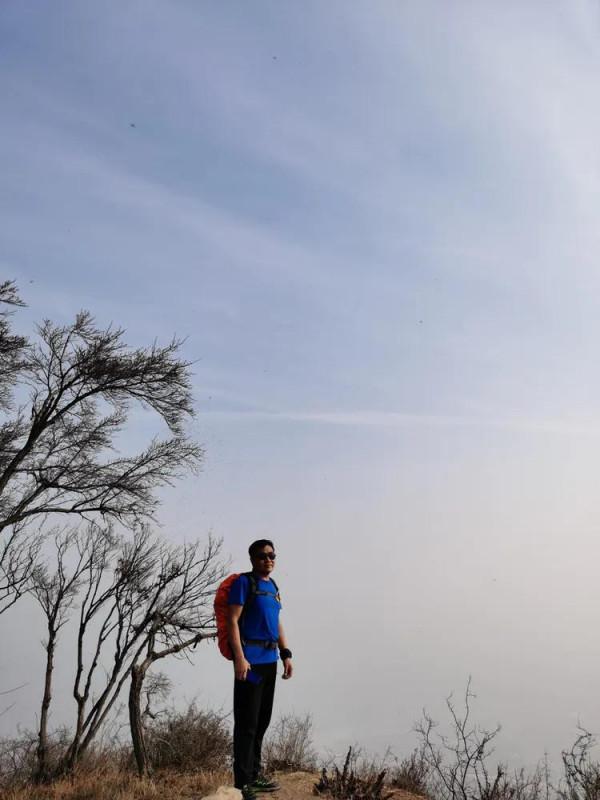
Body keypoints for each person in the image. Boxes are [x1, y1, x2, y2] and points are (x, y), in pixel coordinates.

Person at [227, 539, 293, 799]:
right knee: (247, 722)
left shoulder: (273, 586)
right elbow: (232, 620)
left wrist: (286, 654)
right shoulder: (245, 583)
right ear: (253, 559)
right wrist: (239, 658)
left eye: (272, 555)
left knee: (262, 721)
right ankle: (243, 783)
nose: (269, 559)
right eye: (263, 555)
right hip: (251, 663)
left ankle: (254, 775)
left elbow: (276, 622)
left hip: (269, 662)